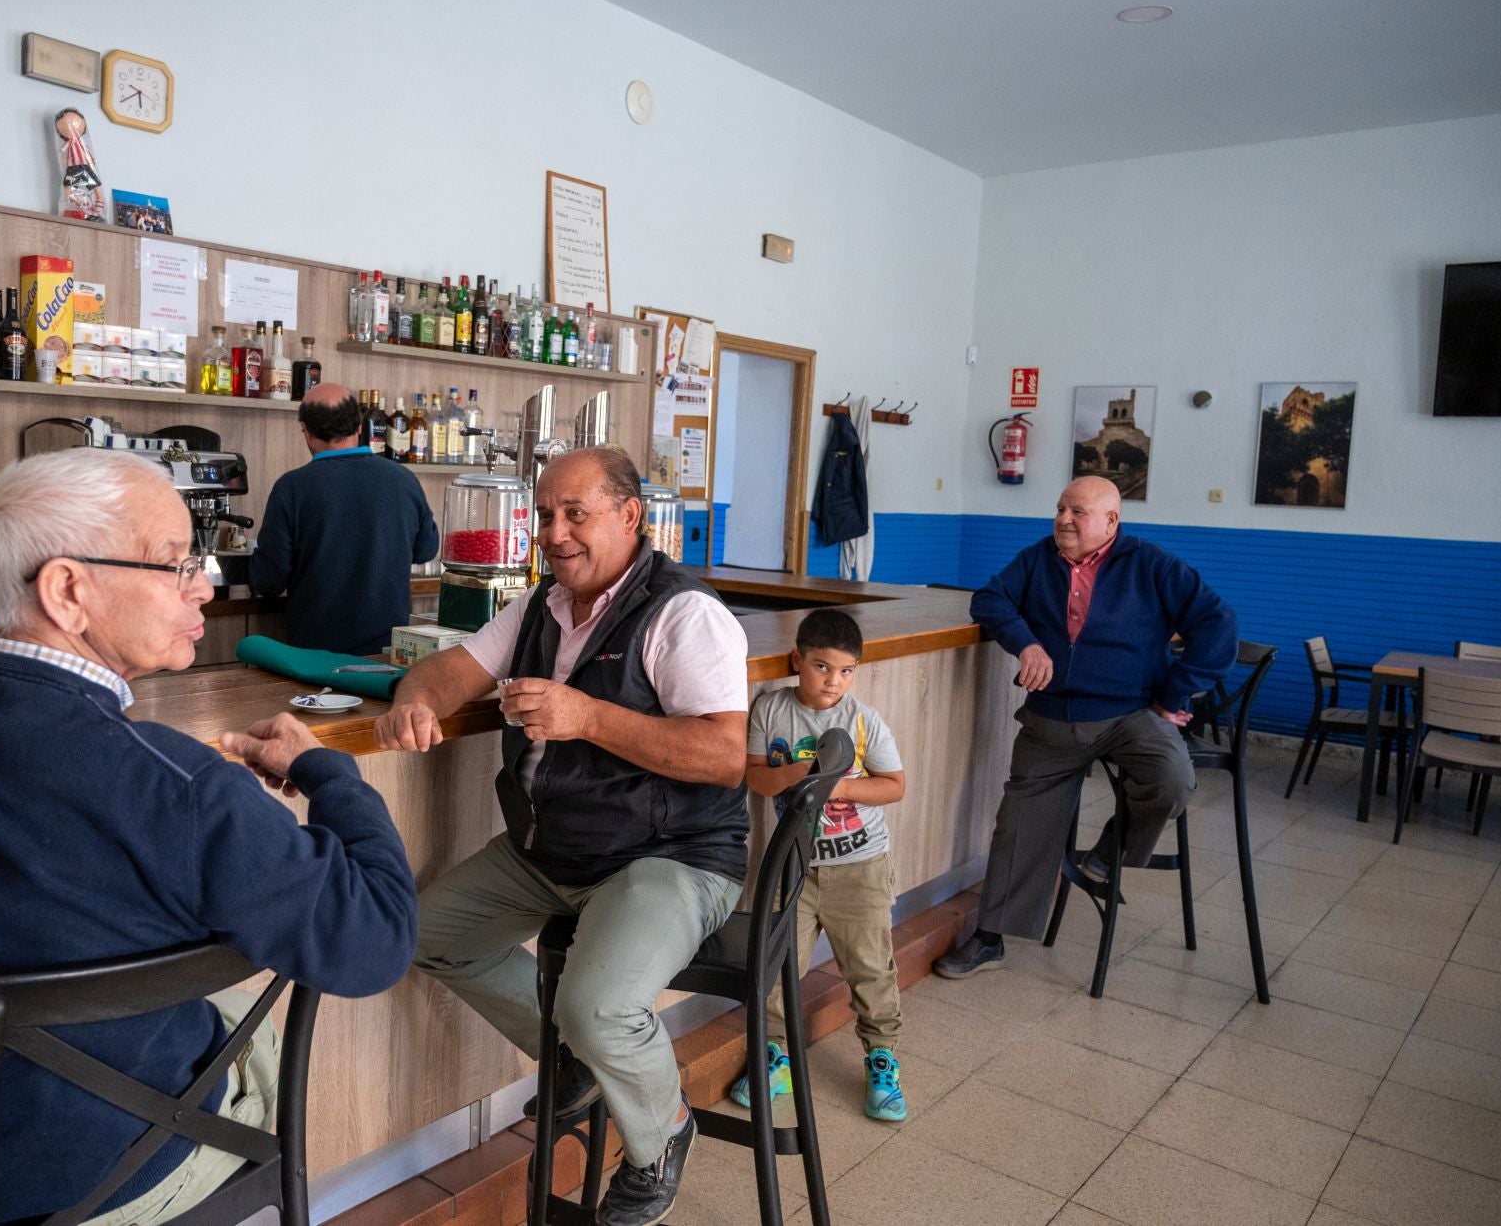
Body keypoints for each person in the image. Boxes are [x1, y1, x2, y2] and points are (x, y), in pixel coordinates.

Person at [0, 449, 418, 1226]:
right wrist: (331, 773)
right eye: (173, 562)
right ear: (67, 590)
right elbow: (378, 937)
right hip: (89, 1187)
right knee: (243, 1014)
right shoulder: (175, 782)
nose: (208, 582)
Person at [374, 446, 749, 1226]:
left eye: (575, 513)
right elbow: (452, 670)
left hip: (670, 852)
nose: (555, 531)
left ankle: (664, 1135)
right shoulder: (541, 604)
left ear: (629, 515)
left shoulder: (684, 612)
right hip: (552, 849)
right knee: (416, 931)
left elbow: (723, 757)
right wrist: (416, 698)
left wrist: (587, 717)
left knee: (598, 1004)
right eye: (545, 514)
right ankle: (574, 1062)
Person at [935, 475, 1236, 978]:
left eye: (1078, 511)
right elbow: (989, 600)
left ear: (1112, 521)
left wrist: (1173, 693)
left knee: (1172, 778)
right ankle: (989, 938)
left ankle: (1111, 849)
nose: (1064, 520)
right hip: (1052, 717)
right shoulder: (1036, 559)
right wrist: (1026, 643)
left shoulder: (1152, 564)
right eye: (1059, 509)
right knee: (1020, 820)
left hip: (1130, 714)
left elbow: (1217, 623)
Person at [729, 607, 910, 1122]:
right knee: (779, 961)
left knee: (871, 967)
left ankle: (882, 1058)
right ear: (797, 661)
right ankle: (775, 1056)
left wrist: (837, 784)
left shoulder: (861, 720)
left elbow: (894, 785)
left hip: (861, 869)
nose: (833, 681)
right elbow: (756, 778)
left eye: (846, 670)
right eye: (821, 666)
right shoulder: (770, 710)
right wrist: (799, 775)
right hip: (796, 869)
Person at [249, 381, 438, 656]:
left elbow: (268, 581)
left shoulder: (291, 488)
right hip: (389, 652)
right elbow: (426, 550)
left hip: (315, 655)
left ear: (307, 432)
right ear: (360, 427)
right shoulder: (404, 479)